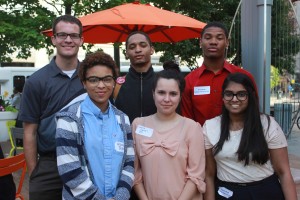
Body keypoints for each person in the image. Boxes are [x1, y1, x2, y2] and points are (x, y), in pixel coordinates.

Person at [18, 15, 86, 200]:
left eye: (73, 35)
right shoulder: (36, 81)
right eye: (62, 34)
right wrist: (35, 173)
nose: (68, 40)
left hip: (86, 162)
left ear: (81, 39)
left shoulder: (91, 78)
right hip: (50, 163)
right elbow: (29, 132)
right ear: (54, 39)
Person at [203, 72, 297, 200]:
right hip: (227, 193)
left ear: (250, 96)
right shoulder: (210, 127)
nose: (235, 99)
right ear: (223, 97)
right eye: (229, 94)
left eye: (241, 94)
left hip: (265, 192)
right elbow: (209, 174)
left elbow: (284, 172)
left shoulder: (268, 125)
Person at [56, 51, 134, 199]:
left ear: (114, 82)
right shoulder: (69, 119)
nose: (101, 85)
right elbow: (69, 170)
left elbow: (129, 163)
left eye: (107, 79)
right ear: (84, 83)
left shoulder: (123, 120)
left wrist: (120, 196)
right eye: (93, 80)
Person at [132, 69, 206, 200]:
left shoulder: (192, 128)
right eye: (161, 93)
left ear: (180, 96)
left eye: (173, 94)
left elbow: (196, 175)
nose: (167, 99)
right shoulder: (138, 125)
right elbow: (135, 172)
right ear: (153, 94)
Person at [181, 21, 256, 126]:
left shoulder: (244, 77)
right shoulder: (189, 81)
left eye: (219, 38)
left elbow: (253, 113)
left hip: (240, 140)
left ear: (227, 42)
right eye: (208, 38)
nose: (213, 42)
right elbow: (187, 121)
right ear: (200, 42)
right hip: (202, 140)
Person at [113, 31, 157, 123]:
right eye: (132, 47)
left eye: (143, 45)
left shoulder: (163, 84)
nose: (138, 50)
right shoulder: (116, 86)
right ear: (127, 53)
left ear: (152, 49)